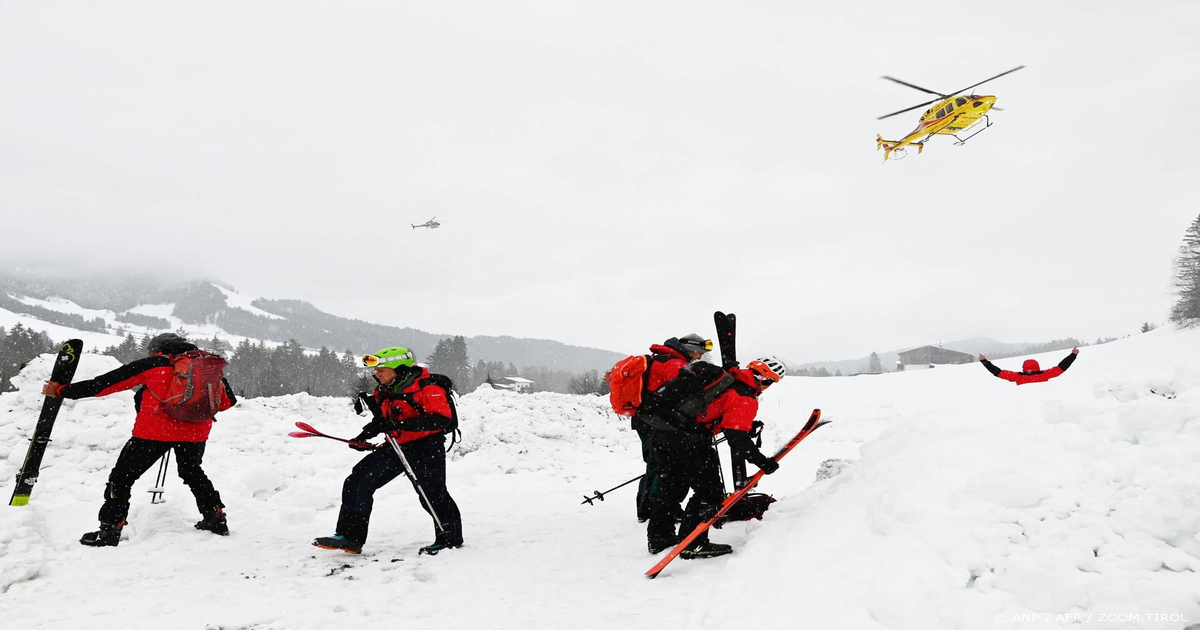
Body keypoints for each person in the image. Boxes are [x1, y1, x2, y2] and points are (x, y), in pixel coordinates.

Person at [42, 332, 236, 547]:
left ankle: (109, 530)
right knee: (192, 472)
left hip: (153, 434)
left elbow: (104, 384)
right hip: (194, 433)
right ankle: (215, 518)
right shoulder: (206, 368)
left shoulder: (154, 364)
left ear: (159, 349)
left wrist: (62, 390)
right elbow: (227, 402)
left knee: (122, 478)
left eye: (151, 350)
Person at [313, 347, 463, 555]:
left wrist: (399, 424)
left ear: (399, 369)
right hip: (397, 446)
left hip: (426, 447)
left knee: (431, 493)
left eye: (382, 369)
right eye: (376, 370)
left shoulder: (428, 387)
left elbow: (441, 419)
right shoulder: (384, 390)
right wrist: (363, 437)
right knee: (358, 480)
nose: (377, 374)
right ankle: (350, 538)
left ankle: (450, 538)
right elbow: (382, 421)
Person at [645, 356, 786, 559]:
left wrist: (745, 427)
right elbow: (736, 438)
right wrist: (763, 462)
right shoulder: (745, 397)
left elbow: (715, 412)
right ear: (767, 381)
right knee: (709, 493)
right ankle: (694, 543)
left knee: (672, 487)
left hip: (662, 433)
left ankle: (659, 538)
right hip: (689, 442)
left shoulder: (726, 379)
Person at [632, 334, 711, 522]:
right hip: (656, 422)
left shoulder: (660, 359)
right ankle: (658, 510)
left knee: (654, 464)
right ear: (688, 348)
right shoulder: (673, 364)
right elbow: (684, 391)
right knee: (662, 466)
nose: (699, 356)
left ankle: (647, 509)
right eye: (699, 352)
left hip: (646, 419)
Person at [979, 347, 1079, 385]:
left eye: (1032, 369)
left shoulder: (1044, 374)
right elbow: (998, 373)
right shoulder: (1018, 376)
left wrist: (1073, 355)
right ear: (1024, 369)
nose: (1030, 371)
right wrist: (985, 362)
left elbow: (1061, 368)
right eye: (1028, 369)